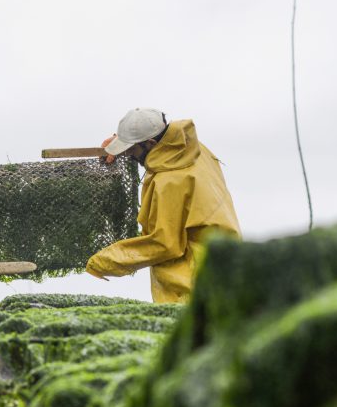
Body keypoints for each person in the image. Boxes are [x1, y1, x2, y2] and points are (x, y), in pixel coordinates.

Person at [86, 108, 242, 303]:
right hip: (228, 269)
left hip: (193, 286)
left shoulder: (170, 181)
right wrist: (121, 142)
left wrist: (102, 261)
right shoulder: (190, 148)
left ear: (151, 143)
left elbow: (164, 244)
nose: (130, 155)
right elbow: (157, 153)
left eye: (132, 150)